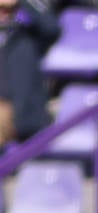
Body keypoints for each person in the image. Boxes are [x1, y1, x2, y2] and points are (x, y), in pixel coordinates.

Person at [0, 0, 60, 147]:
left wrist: (22, 1)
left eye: (8, 9)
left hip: (26, 122)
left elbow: (52, 28)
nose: (3, 13)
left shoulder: (27, 38)